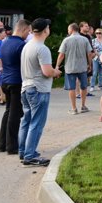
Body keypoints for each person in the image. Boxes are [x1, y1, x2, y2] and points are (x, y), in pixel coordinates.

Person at [19, 18, 61, 166]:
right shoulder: (42, 48)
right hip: (38, 89)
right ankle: (30, 155)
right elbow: (47, 71)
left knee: (27, 120)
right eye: (48, 27)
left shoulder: (27, 46)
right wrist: (56, 72)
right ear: (45, 30)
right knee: (36, 123)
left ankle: (23, 150)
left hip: (26, 87)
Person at [0, 19, 30, 155]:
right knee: (15, 114)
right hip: (16, 82)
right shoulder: (21, 45)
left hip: (5, 80)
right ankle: (12, 146)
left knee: (8, 111)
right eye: (28, 31)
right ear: (23, 29)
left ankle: (3, 143)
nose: (28, 34)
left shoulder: (5, 42)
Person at [56, 23, 94, 115]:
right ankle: (83, 106)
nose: (68, 31)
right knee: (84, 86)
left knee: (71, 88)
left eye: (68, 29)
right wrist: (89, 65)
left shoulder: (66, 40)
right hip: (82, 67)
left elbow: (61, 55)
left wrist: (57, 66)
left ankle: (74, 108)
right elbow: (89, 54)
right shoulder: (85, 39)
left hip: (70, 67)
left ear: (72, 29)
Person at [90, 29, 102, 93]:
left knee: (101, 73)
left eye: (100, 33)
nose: (98, 34)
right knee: (94, 72)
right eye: (97, 33)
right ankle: (92, 86)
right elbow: (92, 49)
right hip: (96, 58)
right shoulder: (93, 41)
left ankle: (100, 85)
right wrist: (96, 53)